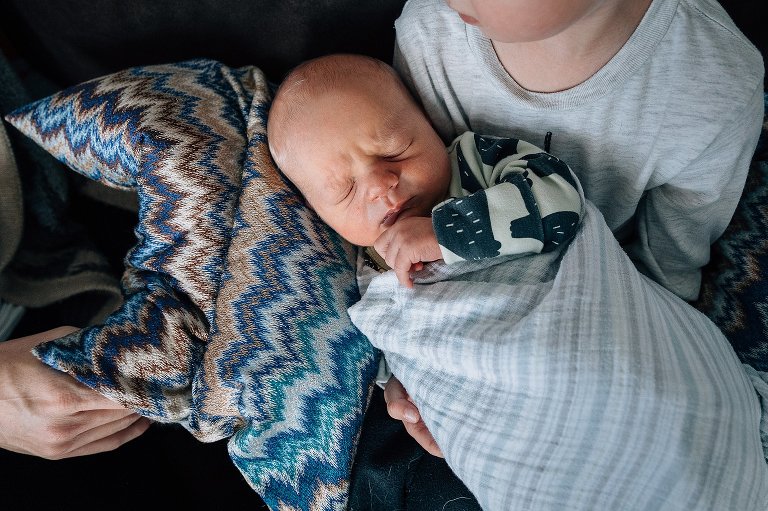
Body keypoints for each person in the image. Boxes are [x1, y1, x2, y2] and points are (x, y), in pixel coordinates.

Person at [379, 0, 765, 463]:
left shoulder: (714, 80)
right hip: (475, 304)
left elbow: (671, 264)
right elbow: (413, 233)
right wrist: (414, 365)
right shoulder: (430, 35)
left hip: (617, 302)